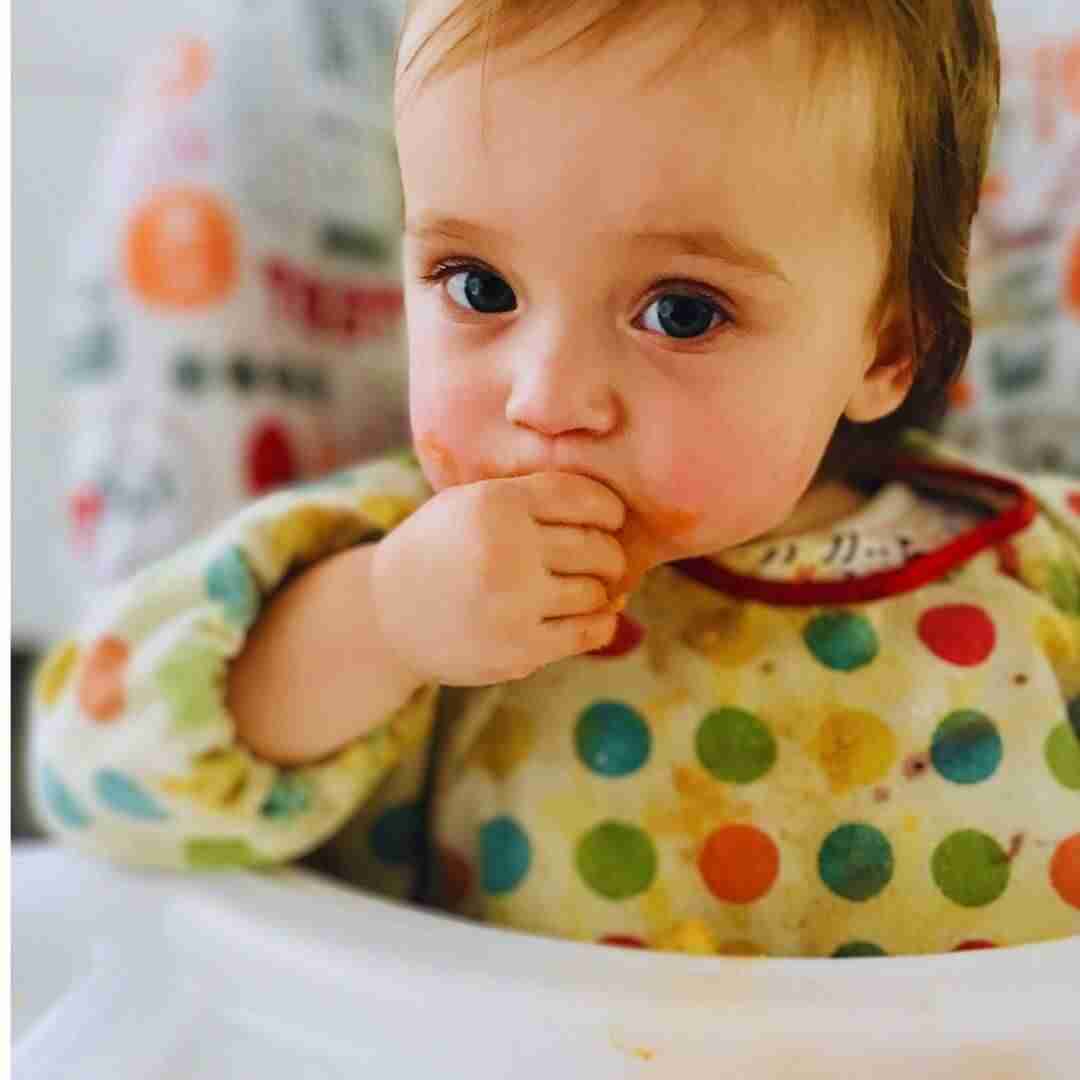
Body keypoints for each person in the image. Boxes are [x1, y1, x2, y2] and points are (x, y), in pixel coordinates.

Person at [30, 0, 1080, 958]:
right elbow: (95, 774)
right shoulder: (408, 572)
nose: (547, 396)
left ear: (889, 346)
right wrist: (381, 626)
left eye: (682, 312)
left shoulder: (1043, 579)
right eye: (477, 286)